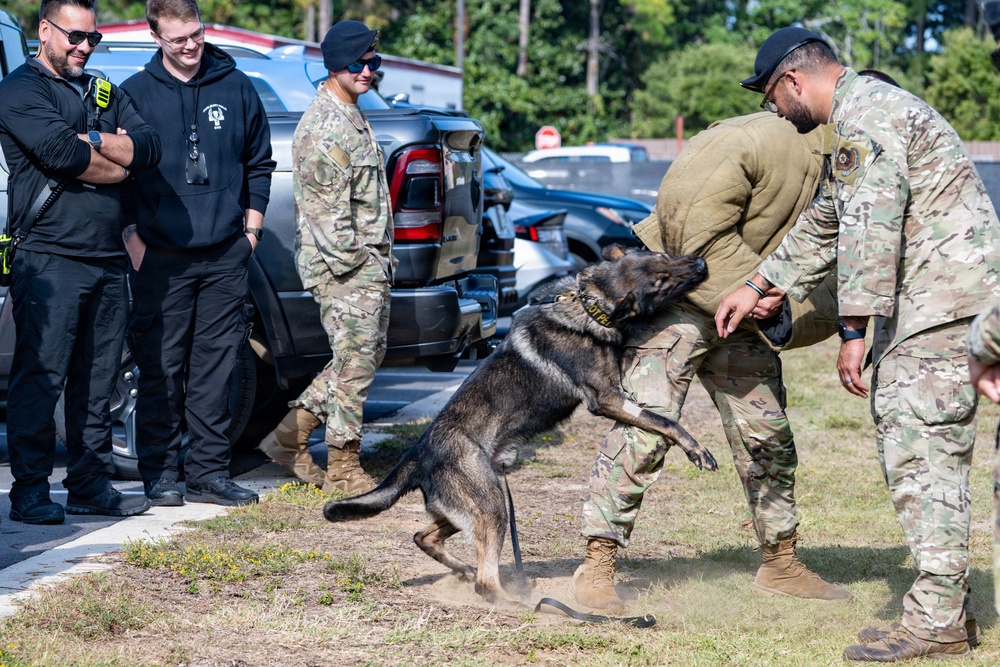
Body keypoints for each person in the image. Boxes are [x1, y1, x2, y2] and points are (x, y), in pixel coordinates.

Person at [715, 27, 1000, 662]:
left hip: (943, 311)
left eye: (770, 98)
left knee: (923, 458)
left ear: (793, 80)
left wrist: (853, 333)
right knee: (930, 456)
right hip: (954, 303)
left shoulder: (865, 120)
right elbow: (826, 218)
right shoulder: (866, 114)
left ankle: (935, 623)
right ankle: (947, 611)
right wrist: (759, 282)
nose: (774, 112)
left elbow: (869, 234)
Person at [570, 111, 851, 612]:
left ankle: (780, 563)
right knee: (645, 430)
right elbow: (690, 220)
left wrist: (773, 304)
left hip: (747, 317)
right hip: (683, 304)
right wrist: (749, 291)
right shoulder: (758, 138)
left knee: (767, 438)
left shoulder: (845, 164)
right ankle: (597, 565)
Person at [0, 0, 161, 523]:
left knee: (96, 381)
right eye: (75, 37)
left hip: (107, 257)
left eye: (93, 39)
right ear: (45, 31)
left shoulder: (103, 89)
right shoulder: (20, 91)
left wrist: (95, 141)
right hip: (49, 257)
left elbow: (149, 148)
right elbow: (61, 155)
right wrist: (115, 160)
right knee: (40, 377)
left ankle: (89, 483)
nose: (85, 47)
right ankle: (29, 490)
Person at [120, 0, 275, 506]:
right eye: (177, 38)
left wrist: (250, 233)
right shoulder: (133, 96)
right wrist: (133, 239)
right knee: (160, 366)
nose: (190, 46)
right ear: (154, 36)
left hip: (225, 253)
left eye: (197, 34)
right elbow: (116, 175)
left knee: (217, 367)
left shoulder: (236, 86)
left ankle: (208, 473)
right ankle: (161, 475)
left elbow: (259, 163)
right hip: (159, 255)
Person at [257, 20, 393, 497]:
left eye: (373, 62)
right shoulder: (324, 126)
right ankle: (344, 464)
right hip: (344, 269)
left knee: (361, 356)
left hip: (364, 265)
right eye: (358, 63)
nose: (368, 71)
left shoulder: (351, 112)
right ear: (334, 66)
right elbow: (327, 218)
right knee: (355, 363)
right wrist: (363, 267)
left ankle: (288, 437)